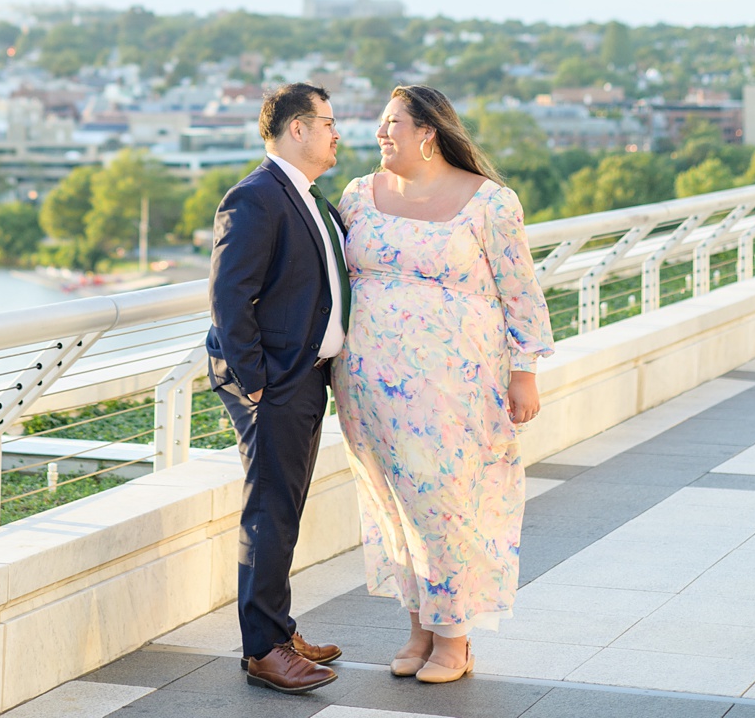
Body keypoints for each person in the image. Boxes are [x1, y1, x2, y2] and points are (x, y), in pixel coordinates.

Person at [333, 84, 552, 685]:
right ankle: (419, 629)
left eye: (392, 123)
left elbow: (521, 292)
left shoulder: (489, 203)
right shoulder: (359, 195)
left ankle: (454, 638)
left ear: (427, 131)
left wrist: (525, 372)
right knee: (394, 505)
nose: (381, 133)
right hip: (367, 385)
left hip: (455, 387)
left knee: (446, 502)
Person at [203, 82, 348, 695]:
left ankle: (278, 630)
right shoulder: (256, 198)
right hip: (276, 384)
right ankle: (263, 649)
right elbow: (229, 299)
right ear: (297, 129)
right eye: (328, 121)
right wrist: (257, 383)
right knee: (267, 514)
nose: (337, 132)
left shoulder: (311, 197)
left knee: (282, 513)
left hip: (304, 378)